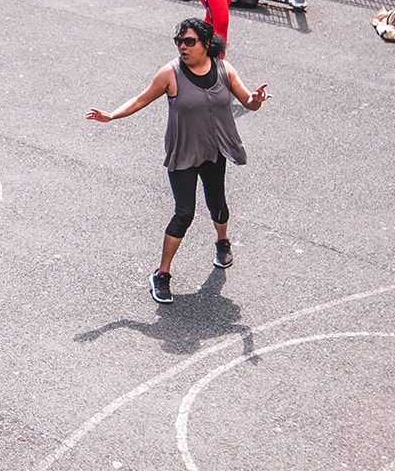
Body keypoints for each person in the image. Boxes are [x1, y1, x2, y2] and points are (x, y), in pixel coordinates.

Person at [85, 18, 270, 305]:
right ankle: (161, 274)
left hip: (214, 149)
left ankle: (222, 242)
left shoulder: (224, 70)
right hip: (183, 152)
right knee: (184, 213)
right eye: (179, 41)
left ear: (206, 44)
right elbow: (139, 99)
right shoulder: (170, 74)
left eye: (189, 42)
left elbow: (248, 102)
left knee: (218, 203)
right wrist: (111, 115)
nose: (183, 47)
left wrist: (257, 99)